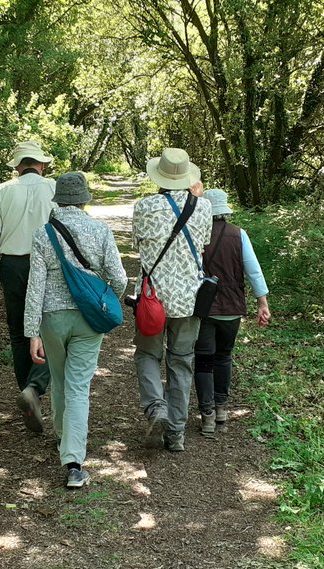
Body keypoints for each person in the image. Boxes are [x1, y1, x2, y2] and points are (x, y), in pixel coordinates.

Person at [25, 172, 127, 488]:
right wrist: (106, 301)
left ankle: (63, 436)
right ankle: (73, 462)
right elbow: (120, 278)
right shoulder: (100, 230)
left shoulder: (43, 234)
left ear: (58, 199)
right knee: (79, 386)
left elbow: (35, 285)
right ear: (84, 200)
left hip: (52, 317)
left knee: (58, 379)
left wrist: (32, 332)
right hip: (89, 318)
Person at [132, 148, 212, 452]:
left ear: (159, 177)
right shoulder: (203, 207)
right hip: (189, 299)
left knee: (147, 354)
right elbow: (203, 244)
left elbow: (138, 245)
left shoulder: (144, 207)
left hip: (152, 299)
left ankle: (156, 408)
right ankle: (176, 434)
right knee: (181, 361)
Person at [0, 140, 56, 433]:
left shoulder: (1, 191)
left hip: (12, 266)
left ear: (17, 167)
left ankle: (28, 394)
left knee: (20, 333)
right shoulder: (54, 188)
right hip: (49, 265)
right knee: (50, 328)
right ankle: (35, 389)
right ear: (42, 164)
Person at [193, 189, 270, 436]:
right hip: (232, 308)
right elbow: (253, 270)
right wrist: (262, 302)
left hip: (203, 308)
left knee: (203, 360)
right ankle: (222, 409)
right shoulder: (239, 234)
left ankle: (207, 415)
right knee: (224, 357)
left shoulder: (195, 233)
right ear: (225, 211)